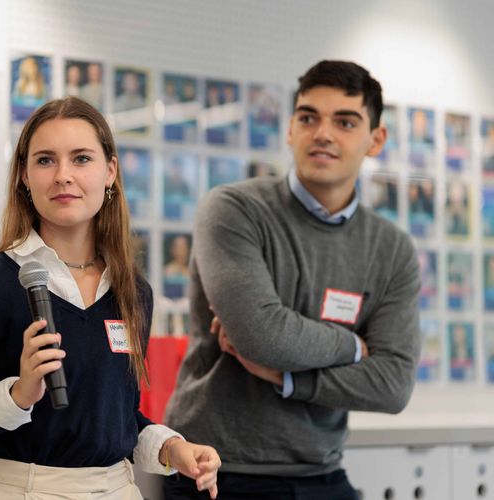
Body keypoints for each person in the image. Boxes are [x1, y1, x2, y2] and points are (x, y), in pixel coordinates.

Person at [0, 96, 220, 499]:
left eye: (81, 159)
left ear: (110, 171)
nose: (63, 175)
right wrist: (19, 395)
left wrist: (172, 448)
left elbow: (116, 416)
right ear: (24, 176)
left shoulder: (134, 291)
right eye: (45, 160)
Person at [164, 60, 420, 500]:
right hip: (215, 470)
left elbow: (394, 384)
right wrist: (354, 347)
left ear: (376, 139)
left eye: (345, 121)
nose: (323, 133)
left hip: (321, 471)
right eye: (308, 117)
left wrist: (288, 379)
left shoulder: (392, 249)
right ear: (289, 129)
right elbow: (262, 337)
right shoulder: (231, 209)